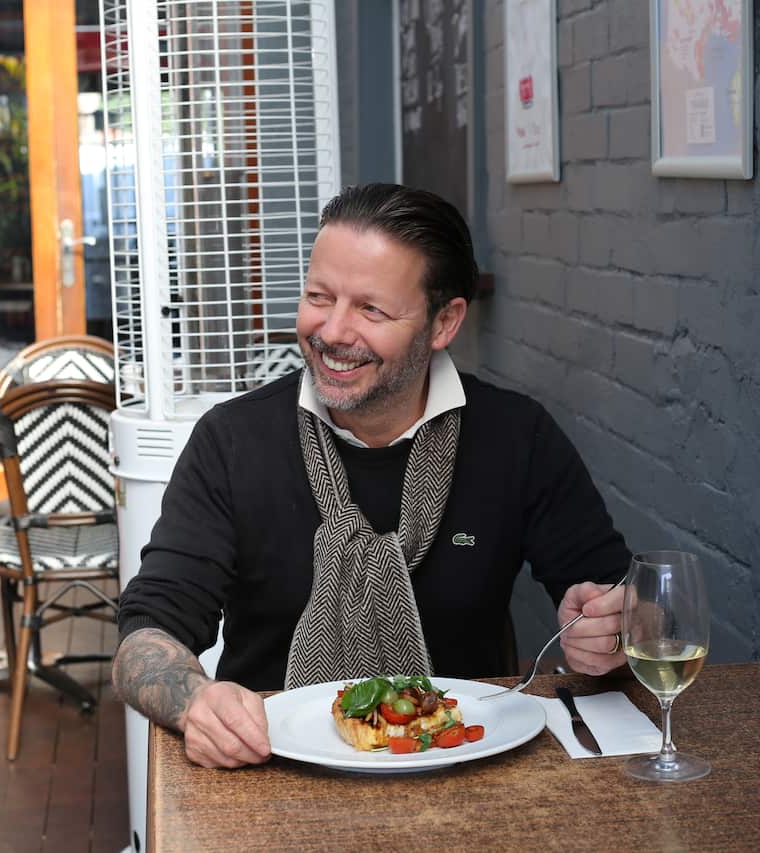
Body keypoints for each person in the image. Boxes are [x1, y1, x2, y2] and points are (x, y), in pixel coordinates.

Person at [112, 183, 631, 768]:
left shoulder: (516, 437)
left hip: (470, 771)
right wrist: (194, 701)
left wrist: (609, 628)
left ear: (443, 322)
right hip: (266, 772)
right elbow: (146, 633)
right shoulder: (232, 440)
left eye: (371, 309)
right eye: (319, 296)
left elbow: (618, 598)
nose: (332, 331)